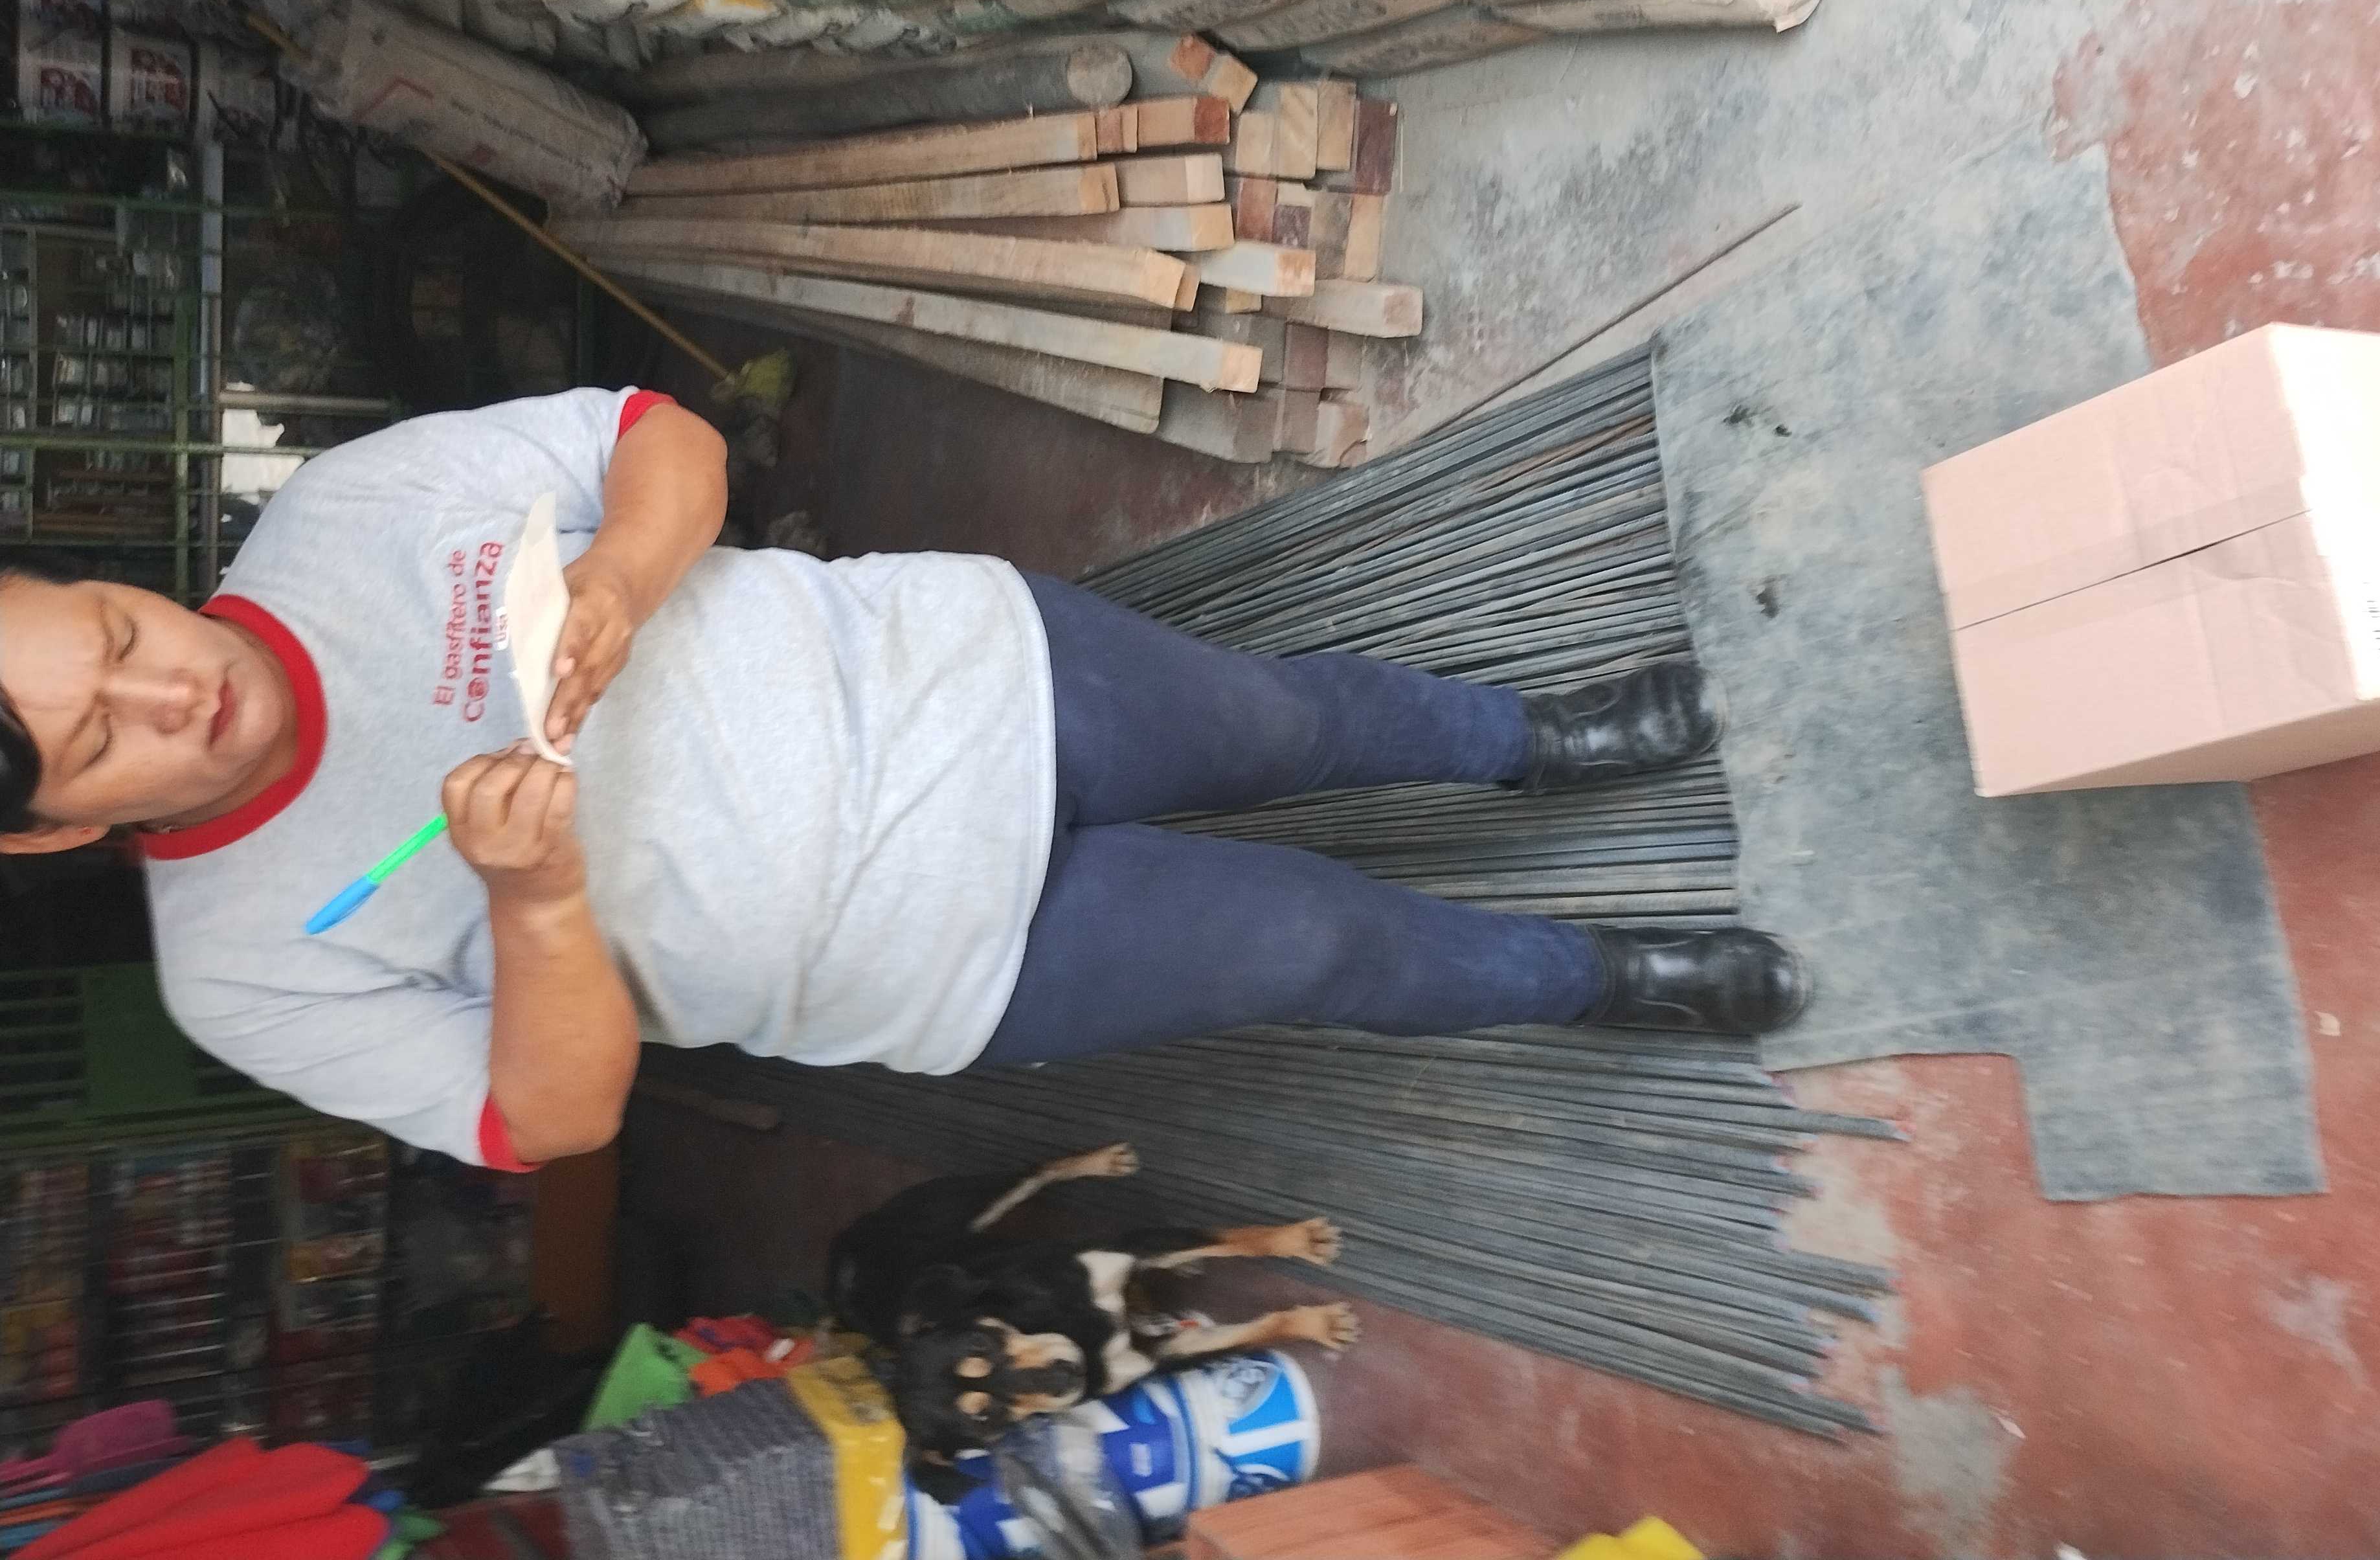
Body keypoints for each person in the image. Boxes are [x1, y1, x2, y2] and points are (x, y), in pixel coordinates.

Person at [0, 389, 1808, 1170]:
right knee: (1318, 946)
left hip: (963, 670)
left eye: (112, 627)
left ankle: (1534, 742)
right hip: (935, 953)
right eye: (104, 742)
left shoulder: (339, 514)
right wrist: (538, 903)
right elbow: (549, 1121)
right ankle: (1603, 979)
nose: (174, 688)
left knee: (1284, 725)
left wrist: (620, 574)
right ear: (59, 832)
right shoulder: (242, 967)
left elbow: (657, 438)